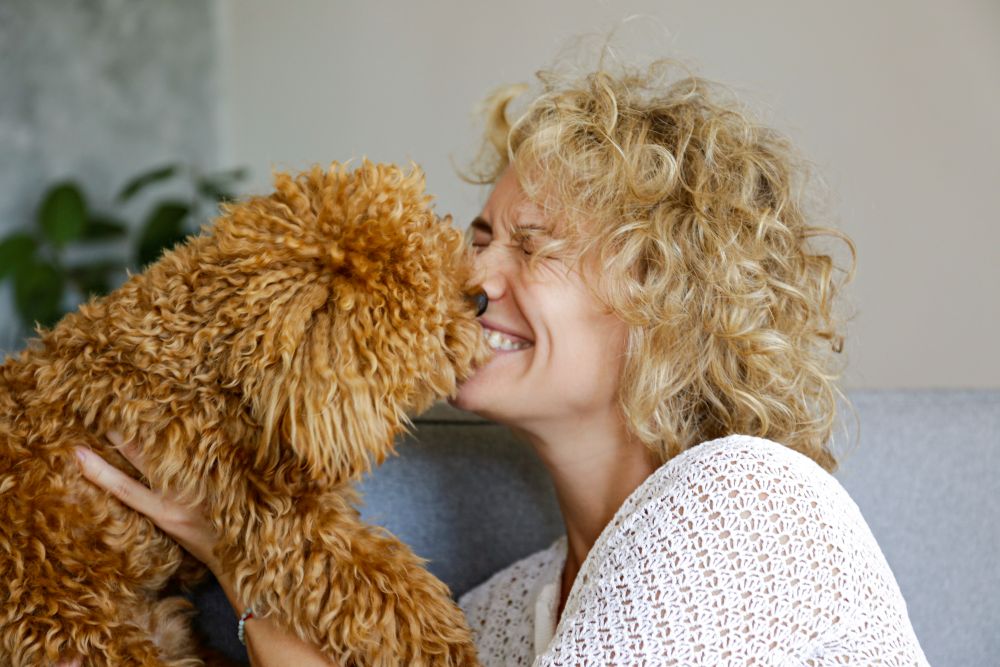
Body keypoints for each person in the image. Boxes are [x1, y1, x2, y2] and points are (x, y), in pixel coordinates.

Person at [73, 56, 931, 666]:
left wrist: (244, 551)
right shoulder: (518, 606)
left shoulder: (741, 500)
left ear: (667, 302)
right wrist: (233, 546)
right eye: (479, 237)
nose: (472, 278)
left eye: (533, 245)